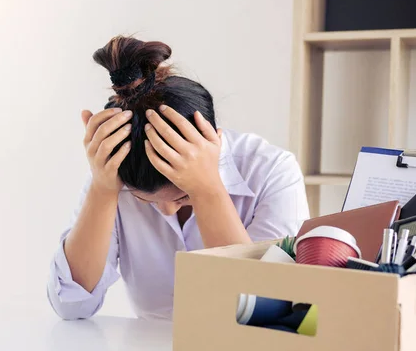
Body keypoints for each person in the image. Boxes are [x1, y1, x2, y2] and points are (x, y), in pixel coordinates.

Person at [47, 36, 309, 320]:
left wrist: (207, 190)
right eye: (143, 199)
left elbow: (274, 312)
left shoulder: (272, 170)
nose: (167, 210)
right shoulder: (116, 170)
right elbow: (71, 305)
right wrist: (102, 190)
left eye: (182, 196)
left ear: (216, 146)